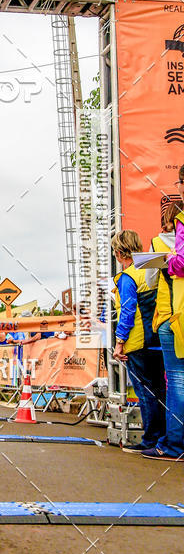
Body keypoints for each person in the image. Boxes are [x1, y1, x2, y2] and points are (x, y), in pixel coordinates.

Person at [111, 230, 165, 453]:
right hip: (158, 339)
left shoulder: (127, 277)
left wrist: (119, 342)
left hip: (137, 341)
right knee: (161, 391)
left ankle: (150, 439)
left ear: (120, 251)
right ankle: (164, 438)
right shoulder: (151, 271)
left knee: (145, 394)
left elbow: (127, 312)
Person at [142, 187, 184, 461]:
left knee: (176, 380)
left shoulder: (157, 244)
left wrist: (166, 260)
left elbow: (150, 282)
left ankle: (174, 444)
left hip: (172, 314)